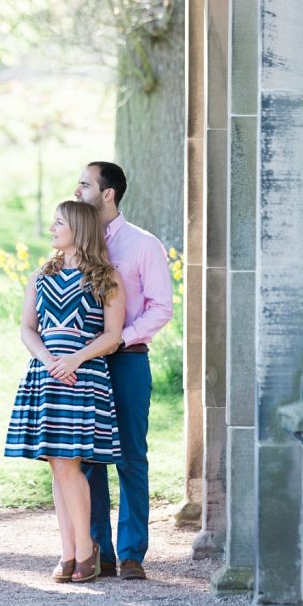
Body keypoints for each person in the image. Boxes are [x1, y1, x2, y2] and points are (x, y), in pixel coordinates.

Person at [4, 200, 126, 583]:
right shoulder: (40, 276)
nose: (53, 228)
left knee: (70, 466)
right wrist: (47, 359)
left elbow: (112, 336)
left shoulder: (107, 277)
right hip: (46, 376)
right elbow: (27, 328)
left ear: (78, 229)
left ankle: (86, 551)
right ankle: (69, 552)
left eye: (59, 223)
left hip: (83, 376)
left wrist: (73, 360)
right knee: (58, 467)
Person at [75, 161, 173, 581]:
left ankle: (132, 553)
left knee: (131, 456)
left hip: (129, 359)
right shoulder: (76, 244)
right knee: (89, 458)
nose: (77, 191)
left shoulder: (143, 245)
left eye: (84, 184)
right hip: (84, 364)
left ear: (108, 193)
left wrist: (120, 336)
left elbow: (161, 308)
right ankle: (100, 550)